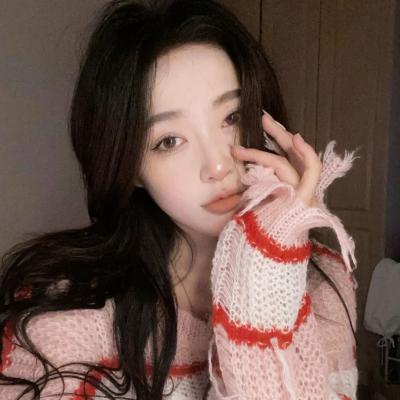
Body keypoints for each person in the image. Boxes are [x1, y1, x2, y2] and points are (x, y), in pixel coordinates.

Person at [0, 0, 359, 399]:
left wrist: (270, 275)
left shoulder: (324, 283)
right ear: (131, 169)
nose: (218, 165)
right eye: (169, 141)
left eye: (232, 117)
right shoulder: (66, 315)